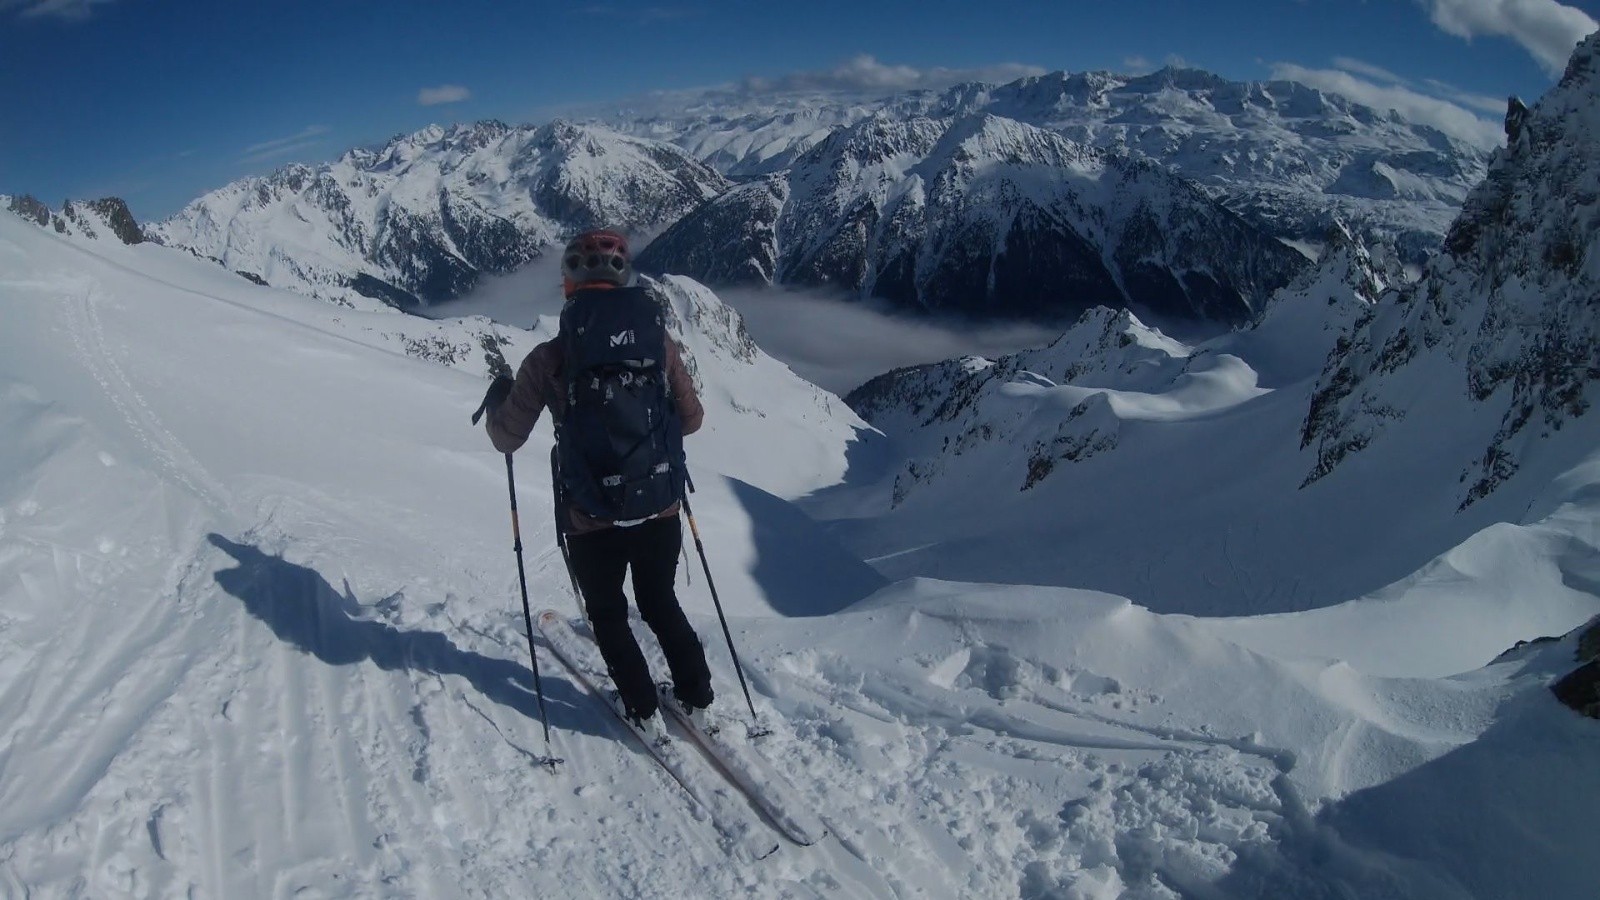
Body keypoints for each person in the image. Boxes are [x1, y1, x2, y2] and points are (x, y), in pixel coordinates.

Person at [482, 229, 714, 736]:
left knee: (607, 612)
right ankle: (696, 697)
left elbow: (506, 438)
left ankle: (642, 710)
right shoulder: (659, 343)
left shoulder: (550, 359)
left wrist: (499, 399)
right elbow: (693, 419)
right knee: (659, 603)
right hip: (660, 506)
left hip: (591, 516)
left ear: (568, 286)